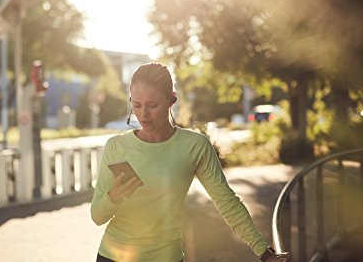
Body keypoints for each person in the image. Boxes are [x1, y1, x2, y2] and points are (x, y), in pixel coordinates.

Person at [91, 62, 288, 262]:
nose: (144, 114)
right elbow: (97, 216)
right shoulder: (116, 146)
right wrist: (112, 197)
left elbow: (227, 203)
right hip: (112, 256)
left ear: (171, 101)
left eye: (152, 105)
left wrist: (264, 252)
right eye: (137, 105)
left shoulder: (195, 146)